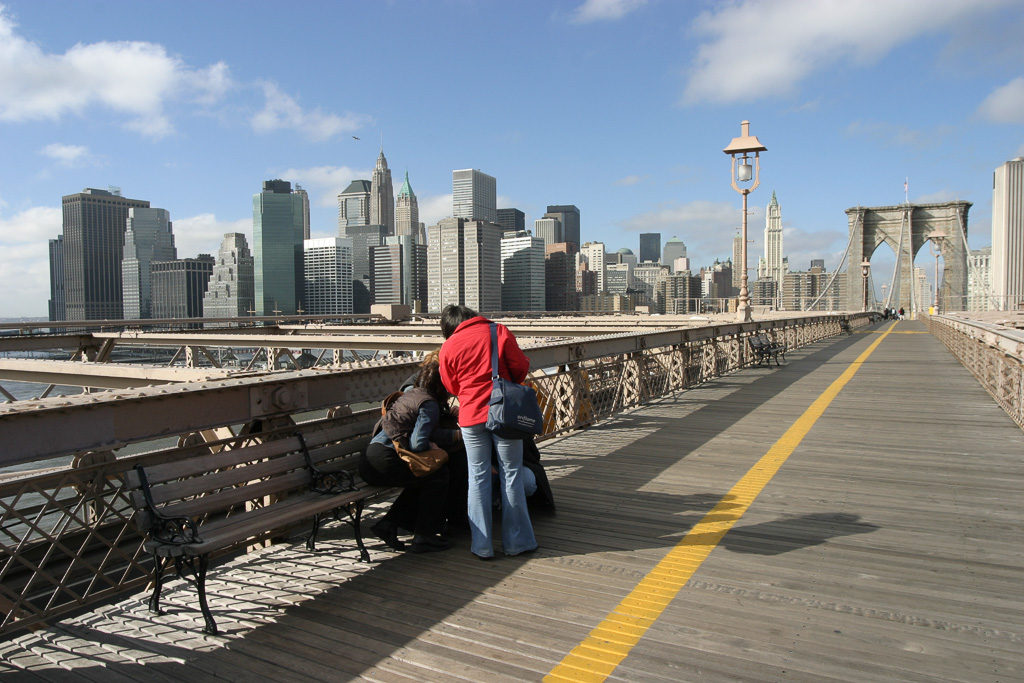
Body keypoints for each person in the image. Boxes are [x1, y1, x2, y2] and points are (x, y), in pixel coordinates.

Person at [438, 304, 538, 559]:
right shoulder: (498, 332)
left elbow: (450, 385)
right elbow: (520, 367)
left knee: (478, 476)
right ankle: (517, 543)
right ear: (473, 317)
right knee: (511, 474)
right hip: (502, 413)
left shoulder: (449, 345)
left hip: (471, 415)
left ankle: (481, 545)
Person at [358, 356, 460, 553]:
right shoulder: (429, 404)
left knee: (423, 479)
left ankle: (389, 525)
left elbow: (419, 431)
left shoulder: (412, 394)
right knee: (438, 476)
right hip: (385, 461)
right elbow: (417, 443)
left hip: (370, 459)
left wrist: (447, 436)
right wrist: (452, 438)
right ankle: (423, 535)